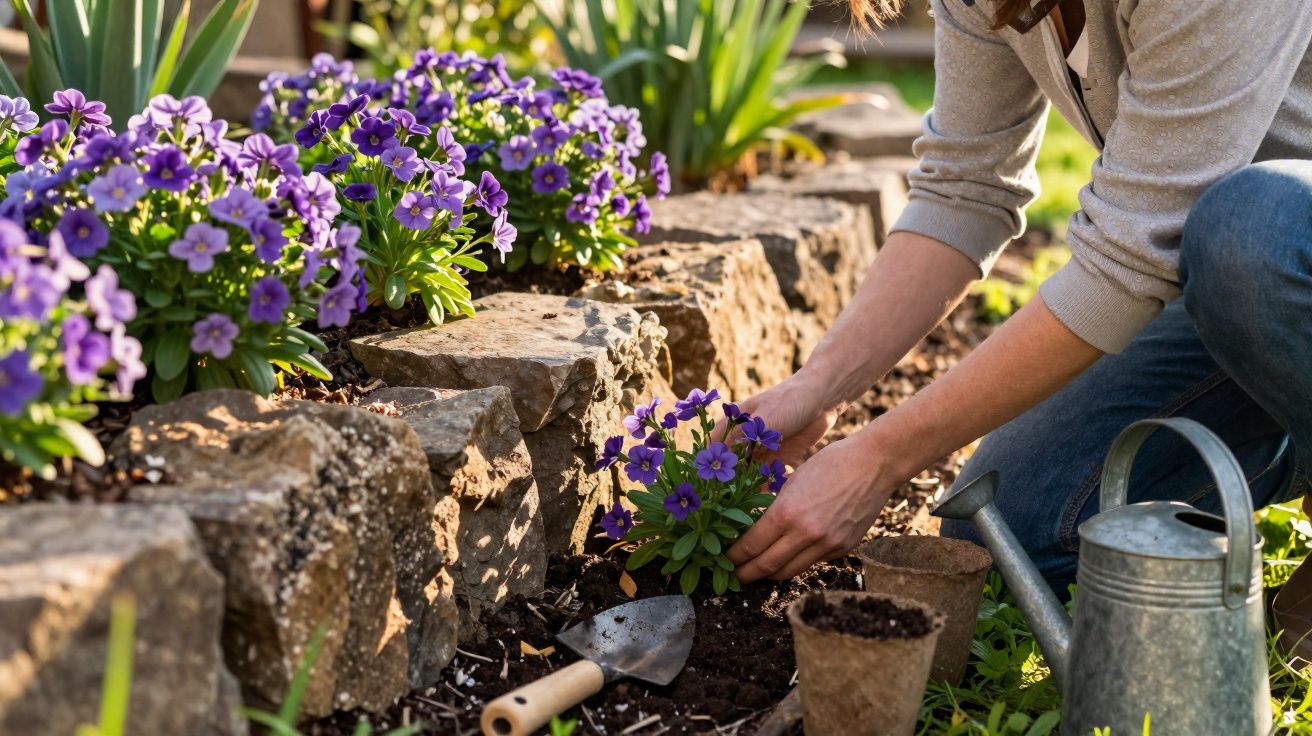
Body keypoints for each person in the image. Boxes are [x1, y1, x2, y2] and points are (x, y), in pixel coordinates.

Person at [723, 0, 1312, 659]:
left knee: (1250, 231)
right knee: (1014, 525)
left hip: (1276, 252)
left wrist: (879, 459)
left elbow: (1128, 261)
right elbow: (965, 187)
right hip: (1240, 301)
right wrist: (820, 385)